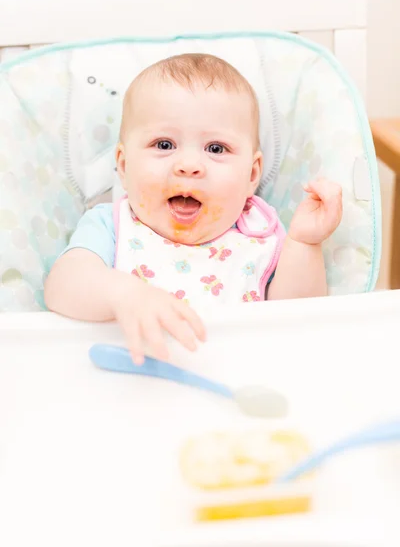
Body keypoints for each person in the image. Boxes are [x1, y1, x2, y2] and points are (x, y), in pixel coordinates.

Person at [44, 53, 342, 364]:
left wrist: (306, 243)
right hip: (133, 383)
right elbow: (62, 285)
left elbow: (299, 320)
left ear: (251, 174)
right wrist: (123, 294)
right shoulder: (112, 225)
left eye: (216, 148)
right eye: (164, 144)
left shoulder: (258, 233)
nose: (188, 165)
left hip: (238, 383)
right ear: (123, 164)